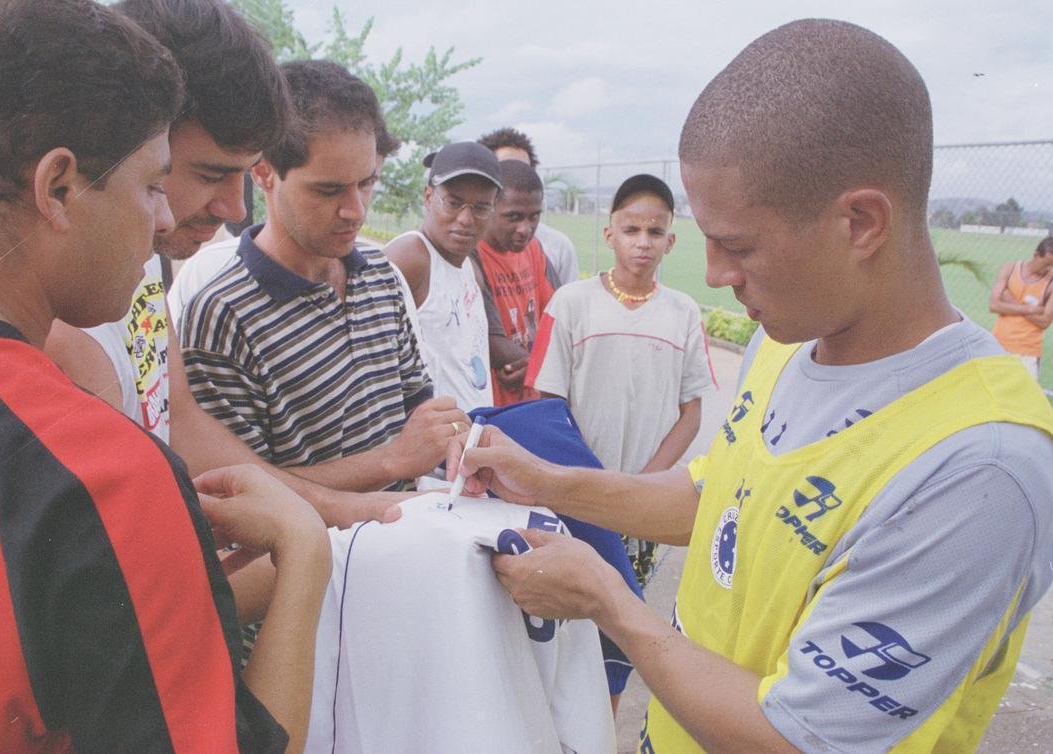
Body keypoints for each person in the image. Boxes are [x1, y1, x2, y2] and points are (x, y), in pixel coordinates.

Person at [449, 19, 1053, 753]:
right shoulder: (788, 339)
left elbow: (799, 739)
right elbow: (722, 500)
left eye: (738, 245)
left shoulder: (977, 465)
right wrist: (547, 481)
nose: (712, 275)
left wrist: (609, 603)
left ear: (860, 222)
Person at [0, 1, 331, 752]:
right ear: (59, 188)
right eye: (152, 183)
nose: (166, 222)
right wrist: (304, 556)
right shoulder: (97, 474)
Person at [41, 0, 395, 529]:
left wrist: (343, 511)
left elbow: (179, 419)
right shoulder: (62, 324)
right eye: (209, 175)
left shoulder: (145, 266)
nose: (235, 209)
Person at [179, 60, 470, 493]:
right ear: (262, 173)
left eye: (367, 183)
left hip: (416, 534)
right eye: (328, 190)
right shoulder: (224, 317)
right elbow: (245, 492)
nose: (355, 210)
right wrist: (389, 462)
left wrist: (454, 440)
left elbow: (417, 406)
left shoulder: (380, 276)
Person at [527, 173, 715, 585]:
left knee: (628, 604)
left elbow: (692, 414)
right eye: (631, 230)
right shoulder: (571, 303)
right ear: (610, 235)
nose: (643, 242)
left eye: (655, 231)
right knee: (568, 601)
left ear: (671, 241)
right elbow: (547, 404)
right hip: (578, 492)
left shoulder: (683, 313)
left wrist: (642, 485)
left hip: (644, 500)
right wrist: (587, 481)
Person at [384, 141, 502, 412]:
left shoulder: (470, 268)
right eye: (453, 203)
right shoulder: (411, 257)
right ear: (428, 197)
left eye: (481, 207)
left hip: (471, 435)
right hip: (435, 445)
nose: (465, 219)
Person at [475, 160, 556, 406]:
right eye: (513, 217)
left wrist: (536, 366)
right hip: (492, 405)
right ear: (490, 208)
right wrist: (540, 366)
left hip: (530, 398)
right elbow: (489, 341)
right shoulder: (473, 255)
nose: (525, 228)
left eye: (534, 217)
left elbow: (560, 319)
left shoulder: (534, 249)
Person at [479, 126, 580, 285]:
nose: (524, 229)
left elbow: (564, 306)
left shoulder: (554, 246)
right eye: (505, 169)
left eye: (524, 169)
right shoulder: (468, 252)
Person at [989, 236, 1053, 380]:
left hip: (1028, 352)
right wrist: (1032, 309)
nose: (1048, 269)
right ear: (1036, 255)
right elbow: (994, 305)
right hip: (999, 344)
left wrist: (1010, 302)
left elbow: (1044, 321)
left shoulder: (1051, 283)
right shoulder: (1010, 269)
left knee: (1024, 398)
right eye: (1046, 264)